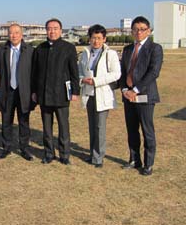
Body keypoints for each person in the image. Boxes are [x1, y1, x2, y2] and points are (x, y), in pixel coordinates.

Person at [31, 18, 80, 165]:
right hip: (44, 94)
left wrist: (75, 91)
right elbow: (35, 73)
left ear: (61, 30)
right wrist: (34, 91)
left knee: (63, 126)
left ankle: (64, 154)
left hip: (62, 94)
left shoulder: (69, 48)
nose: (52, 31)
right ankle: (48, 153)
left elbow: (74, 72)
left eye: (55, 28)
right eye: (49, 28)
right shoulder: (40, 48)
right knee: (47, 127)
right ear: (46, 30)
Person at [119, 16, 163, 176]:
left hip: (144, 96)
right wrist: (124, 89)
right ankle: (134, 159)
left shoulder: (155, 48)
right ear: (132, 31)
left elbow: (153, 72)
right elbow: (123, 72)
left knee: (147, 130)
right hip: (128, 96)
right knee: (131, 130)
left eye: (142, 29)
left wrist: (135, 90)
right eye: (135, 29)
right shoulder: (128, 49)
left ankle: (148, 163)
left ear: (149, 31)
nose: (138, 32)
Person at [78, 24, 121, 168]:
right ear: (89, 39)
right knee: (92, 126)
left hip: (102, 93)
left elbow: (116, 74)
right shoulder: (85, 53)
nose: (96, 41)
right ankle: (92, 154)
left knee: (100, 127)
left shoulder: (110, 54)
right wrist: (82, 80)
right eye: (93, 38)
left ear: (104, 39)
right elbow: (79, 72)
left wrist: (96, 81)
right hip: (89, 93)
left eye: (98, 38)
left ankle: (98, 157)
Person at [0, 24, 35, 161]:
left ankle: (24, 148)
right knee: (6, 121)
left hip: (24, 91)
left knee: (24, 121)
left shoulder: (30, 51)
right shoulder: (2, 51)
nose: (14, 35)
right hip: (7, 91)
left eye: (17, 32)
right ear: (8, 35)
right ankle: (6, 148)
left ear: (22, 34)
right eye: (11, 33)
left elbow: (33, 72)